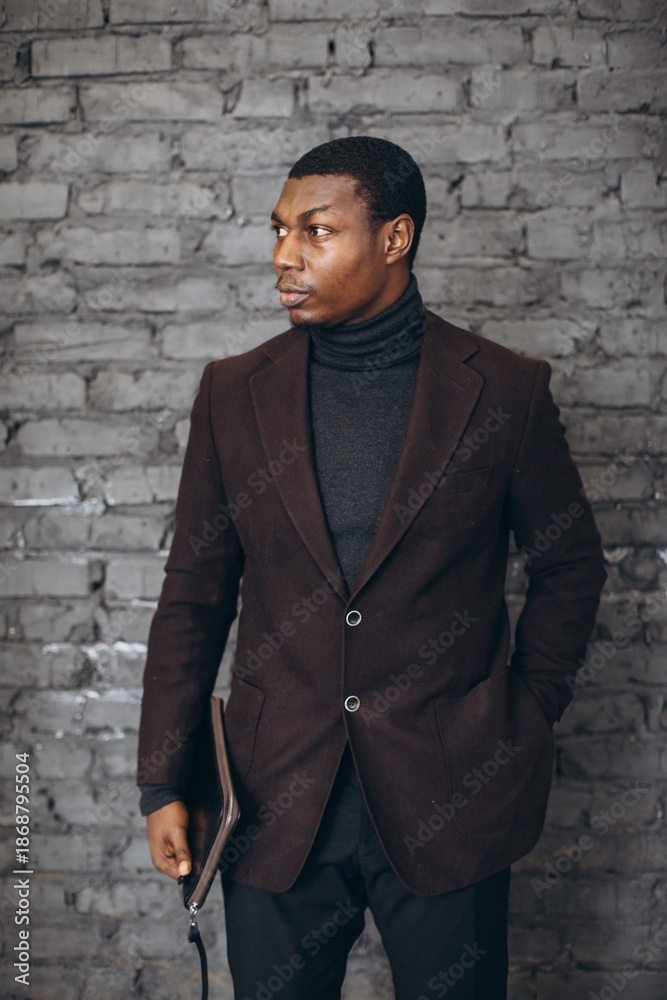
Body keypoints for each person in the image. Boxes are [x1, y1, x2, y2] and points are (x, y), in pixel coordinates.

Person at [137, 135, 606, 999]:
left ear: (394, 238)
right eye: (279, 230)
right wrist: (163, 779)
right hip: (272, 800)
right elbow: (193, 595)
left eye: (315, 231)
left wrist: (524, 709)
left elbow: (570, 565)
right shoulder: (233, 393)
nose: (284, 255)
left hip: (451, 792)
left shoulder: (504, 391)